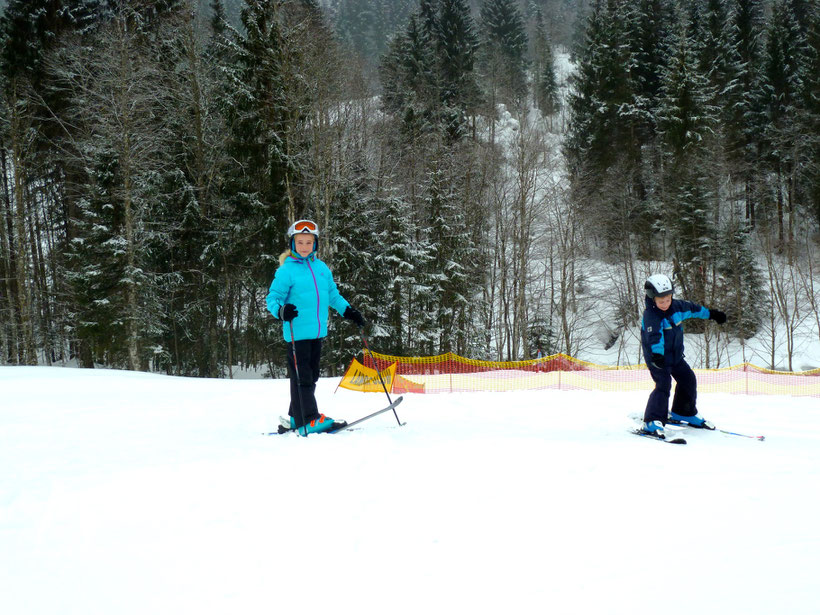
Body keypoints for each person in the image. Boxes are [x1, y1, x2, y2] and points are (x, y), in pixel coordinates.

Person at [266, 219, 365, 435]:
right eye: (300, 242)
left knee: (310, 376)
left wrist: (348, 311)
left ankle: (295, 417)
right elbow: (273, 298)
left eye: (308, 242)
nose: (304, 247)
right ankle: (309, 419)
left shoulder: (321, 269)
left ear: (315, 244)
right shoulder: (286, 271)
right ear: (293, 244)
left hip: (317, 333)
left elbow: (332, 295)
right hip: (296, 333)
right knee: (303, 377)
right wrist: (281, 310)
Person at [640, 274, 727, 438]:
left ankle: (683, 412)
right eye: (661, 301)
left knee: (688, 379)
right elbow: (655, 338)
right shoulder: (651, 316)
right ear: (652, 299)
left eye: (668, 299)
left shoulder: (677, 307)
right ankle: (652, 420)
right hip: (658, 359)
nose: (665, 304)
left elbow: (694, 309)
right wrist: (658, 355)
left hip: (676, 356)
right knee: (663, 384)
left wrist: (712, 314)